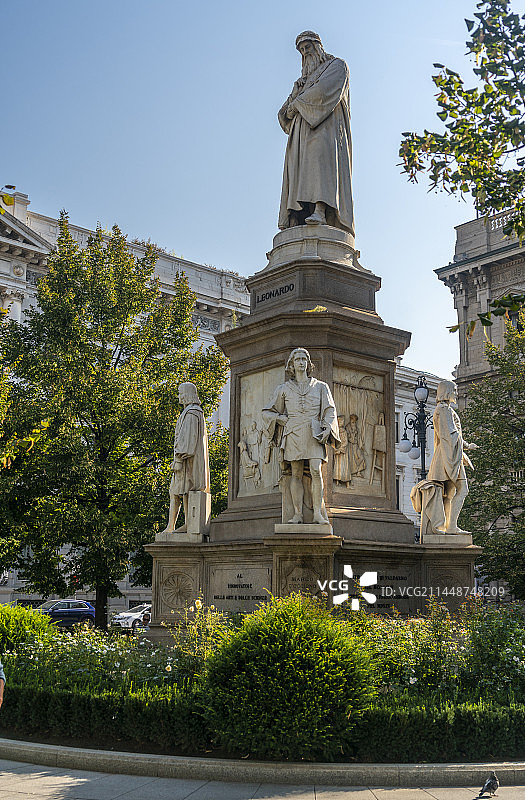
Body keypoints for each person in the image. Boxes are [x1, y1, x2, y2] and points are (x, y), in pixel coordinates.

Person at [278, 31, 354, 234]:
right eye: (302, 51)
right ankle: (298, 214)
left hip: (325, 128)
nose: (305, 53)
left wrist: (297, 104)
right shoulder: (301, 82)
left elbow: (323, 93)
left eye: (308, 47)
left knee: (321, 165)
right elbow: (284, 113)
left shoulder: (337, 66)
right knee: (299, 171)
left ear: (318, 46)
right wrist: (295, 95)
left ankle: (321, 210)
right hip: (300, 135)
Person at [263, 348, 340, 524]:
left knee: (315, 469)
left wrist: (328, 427)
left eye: (304, 359)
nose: (301, 362)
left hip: (313, 432)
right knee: (295, 472)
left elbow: (330, 410)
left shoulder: (321, 386)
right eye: (297, 359)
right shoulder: (283, 389)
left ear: (308, 363)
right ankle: (297, 514)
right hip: (293, 432)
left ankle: (317, 514)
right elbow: (267, 412)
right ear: (291, 364)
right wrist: (280, 418)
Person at [427, 380, 478, 534]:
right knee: (462, 490)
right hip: (447, 456)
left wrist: (462, 454)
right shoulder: (443, 410)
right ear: (447, 391)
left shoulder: (444, 409)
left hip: (449, 454)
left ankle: (448, 526)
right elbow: (450, 435)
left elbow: (451, 436)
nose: (456, 393)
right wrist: (467, 446)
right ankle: (451, 526)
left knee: (449, 493)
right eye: (454, 390)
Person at [162, 382, 210, 533]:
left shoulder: (192, 413)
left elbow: (188, 442)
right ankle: (176, 525)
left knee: (182, 492)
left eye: (180, 393)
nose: (179, 396)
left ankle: (181, 525)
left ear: (187, 394)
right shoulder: (192, 412)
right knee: (178, 493)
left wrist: (178, 458)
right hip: (185, 461)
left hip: (186, 462)